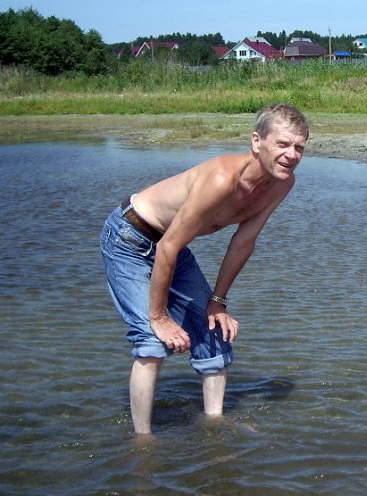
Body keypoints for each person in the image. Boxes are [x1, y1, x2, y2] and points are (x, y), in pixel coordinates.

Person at [100, 103, 309, 435]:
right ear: (257, 142)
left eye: (299, 147)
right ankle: (143, 440)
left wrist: (218, 301)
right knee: (152, 340)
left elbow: (244, 241)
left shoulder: (282, 183)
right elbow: (167, 247)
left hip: (171, 246)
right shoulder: (222, 179)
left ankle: (214, 421)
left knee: (213, 326)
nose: (292, 155)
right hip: (129, 238)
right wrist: (159, 316)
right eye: (282, 144)